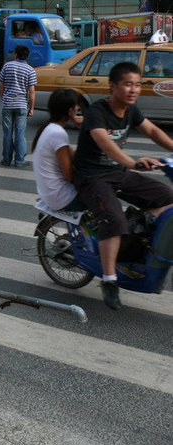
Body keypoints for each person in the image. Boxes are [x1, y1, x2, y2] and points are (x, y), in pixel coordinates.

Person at [73, 61, 173, 310]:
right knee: (114, 221)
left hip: (118, 173)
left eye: (138, 84)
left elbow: (152, 130)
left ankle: (138, 236)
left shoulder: (131, 110)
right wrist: (132, 163)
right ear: (113, 86)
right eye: (128, 84)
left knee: (167, 197)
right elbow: (104, 142)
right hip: (92, 177)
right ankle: (109, 280)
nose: (133, 89)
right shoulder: (98, 111)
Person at [32, 89, 84, 211]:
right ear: (70, 110)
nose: (78, 109)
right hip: (62, 197)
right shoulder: (57, 133)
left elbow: (74, 156)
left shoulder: (49, 128)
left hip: (50, 194)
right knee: (105, 201)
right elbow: (69, 175)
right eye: (77, 106)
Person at [0, 45, 36, 167]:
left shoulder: (7, 66)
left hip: (7, 104)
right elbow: (32, 92)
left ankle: (6, 159)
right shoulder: (30, 70)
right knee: (20, 133)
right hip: (21, 105)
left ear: (16, 55)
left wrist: (4, 99)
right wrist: (31, 108)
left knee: (7, 133)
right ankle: (19, 161)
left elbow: (1, 86)